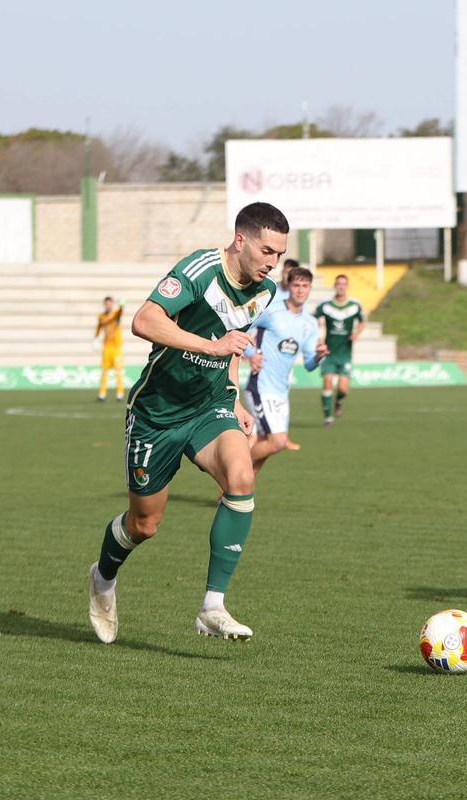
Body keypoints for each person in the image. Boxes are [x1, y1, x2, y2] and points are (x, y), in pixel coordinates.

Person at [85, 202, 288, 644]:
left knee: (241, 477)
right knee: (145, 525)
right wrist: (209, 347)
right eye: (268, 251)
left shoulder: (264, 291)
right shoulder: (199, 268)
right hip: (156, 413)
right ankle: (103, 577)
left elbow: (232, 343)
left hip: (209, 407)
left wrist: (232, 397)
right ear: (241, 240)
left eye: (280, 255)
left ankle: (212, 607)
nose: (273, 263)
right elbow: (144, 319)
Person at [243, 265, 328, 475]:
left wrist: (318, 356)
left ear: (310, 288)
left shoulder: (310, 323)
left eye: (305, 286)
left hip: (281, 392)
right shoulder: (271, 310)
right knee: (278, 442)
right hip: (260, 386)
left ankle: (234, 491)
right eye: (296, 285)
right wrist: (250, 353)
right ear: (289, 286)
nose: (300, 290)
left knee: (266, 444)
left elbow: (309, 365)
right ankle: (233, 469)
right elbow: (240, 327)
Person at [315, 274, 365, 427]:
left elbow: (362, 322)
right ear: (335, 286)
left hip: (345, 353)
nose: (341, 286)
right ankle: (328, 418)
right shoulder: (326, 305)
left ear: (347, 286)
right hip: (329, 353)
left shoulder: (354, 305)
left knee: (343, 388)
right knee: (328, 382)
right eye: (339, 284)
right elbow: (313, 319)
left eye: (344, 284)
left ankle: (339, 401)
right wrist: (319, 336)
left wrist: (356, 333)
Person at [95, 296, 125, 401]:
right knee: (104, 371)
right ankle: (102, 394)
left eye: (109, 303)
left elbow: (120, 312)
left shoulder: (116, 313)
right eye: (106, 304)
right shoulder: (101, 316)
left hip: (116, 348)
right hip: (106, 347)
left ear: (112, 304)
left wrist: (122, 305)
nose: (108, 305)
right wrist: (96, 339)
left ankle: (120, 393)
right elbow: (99, 327)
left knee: (118, 371)